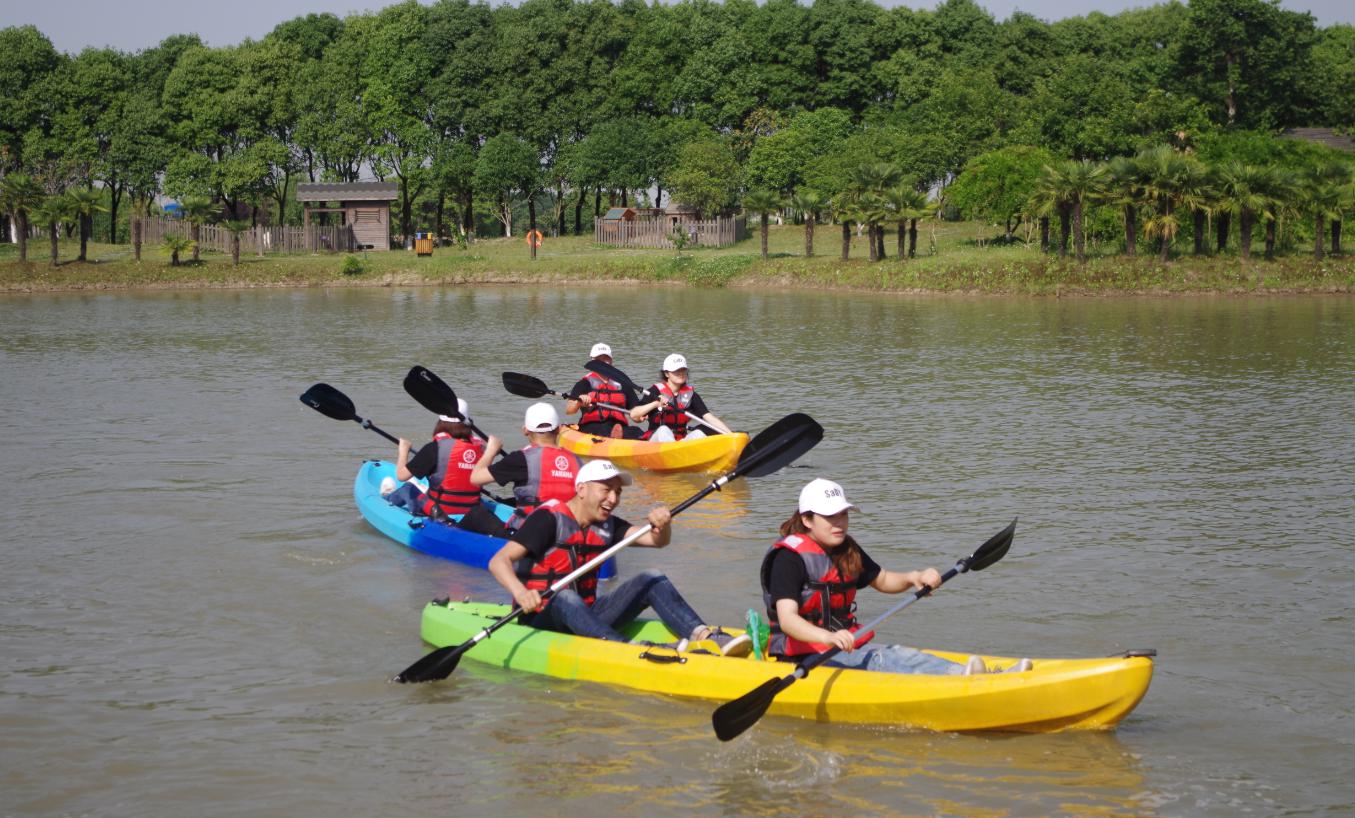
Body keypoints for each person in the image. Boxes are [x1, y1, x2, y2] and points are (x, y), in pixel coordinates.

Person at [759, 478, 1031, 675]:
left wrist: (914, 577)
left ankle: (976, 674)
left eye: (843, 515)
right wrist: (828, 637)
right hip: (805, 656)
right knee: (883, 657)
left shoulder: (846, 548)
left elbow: (882, 579)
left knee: (894, 654)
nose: (840, 523)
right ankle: (969, 678)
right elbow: (788, 620)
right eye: (831, 516)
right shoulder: (788, 558)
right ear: (807, 519)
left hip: (844, 646)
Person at [487, 459, 744, 653]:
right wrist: (521, 594)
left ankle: (704, 636)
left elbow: (657, 541)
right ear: (582, 489)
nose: (613, 498)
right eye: (606, 489)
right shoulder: (548, 519)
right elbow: (499, 562)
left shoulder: (607, 524)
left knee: (652, 578)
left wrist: (663, 525)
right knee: (564, 596)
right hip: (540, 619)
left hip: (587, 615)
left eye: (618, 492)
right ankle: (630, 649)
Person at [461, 402, 582, 538]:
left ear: (525, 430)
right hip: (567, 534)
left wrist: (491, 451)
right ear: (559, 429)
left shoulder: (521, 459)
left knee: (476, 514)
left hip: (527, 539)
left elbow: (475, 479)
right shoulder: (577, 460)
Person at [383, 404, 487, 522]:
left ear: (441, 423)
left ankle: (386, 499)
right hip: (470, 510)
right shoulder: (482, 449)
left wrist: (404, 450)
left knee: (408, 488)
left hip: (439, 511)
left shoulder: (434, 448)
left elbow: (401, 476)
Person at [630, 353, 732, 443]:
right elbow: (634, 415)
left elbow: (709, 418)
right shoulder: (654, 391)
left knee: (703, 431)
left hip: (680, 442)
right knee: (664, 430)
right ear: (666, 373)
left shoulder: (692, 396)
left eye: (683, 370)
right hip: (656, 441)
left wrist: (731, 435)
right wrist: (655, 404)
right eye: (676, 371)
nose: (681, 373)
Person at [566, 342, 643, 439]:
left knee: (636, 431)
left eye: (606, 358)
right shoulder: (584, 383)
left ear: (611, 360)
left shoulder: (623, 383)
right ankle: (614, 439)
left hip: (619, 426)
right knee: (603, 429)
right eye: (598, 359)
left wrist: (642, 416)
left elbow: (636, 415)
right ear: (592, 361)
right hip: (593, 426)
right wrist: (579, 401)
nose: (602, 362)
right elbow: (569, 410)